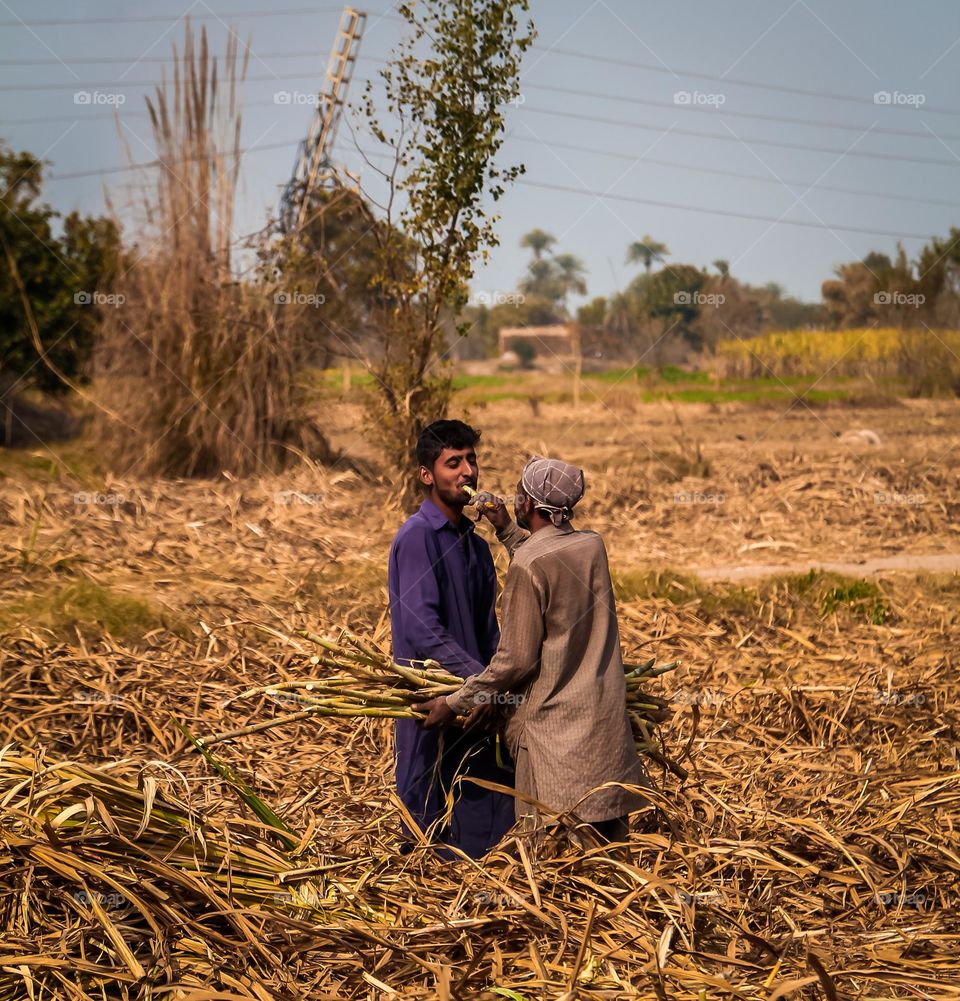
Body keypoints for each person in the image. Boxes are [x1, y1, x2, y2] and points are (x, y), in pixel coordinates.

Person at [415, 455, 649, 847]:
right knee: (611, 866)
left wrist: (454, 702)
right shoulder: (592, 546)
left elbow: (515, 660)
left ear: (532, 505)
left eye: (520, 493)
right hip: (604, 736)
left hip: (554, 744)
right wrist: (505, 528)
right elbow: (550, 560)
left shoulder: (527, 566)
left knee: (554, 868)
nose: (515, 498)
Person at [388, 419, 516, 858]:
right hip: (433, 702)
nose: (467, 473)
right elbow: (420, 627)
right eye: (453, 463)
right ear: (427, 475)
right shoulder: (417, 537)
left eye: (471, 461)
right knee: (428, 829)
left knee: (484, 821)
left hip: (475, 707)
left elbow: (490, 630)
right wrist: (477, 683)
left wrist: (492, 689)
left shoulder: (477, 546)